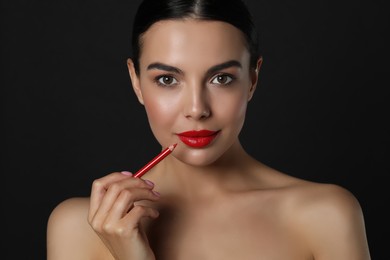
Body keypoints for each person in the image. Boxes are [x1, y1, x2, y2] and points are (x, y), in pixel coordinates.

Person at [46, 0, 371, 259]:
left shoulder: (324, 215)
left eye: (222, 78)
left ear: (252, 80)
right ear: (136, 82)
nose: (197, 109)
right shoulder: (79, 228)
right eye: (167, 79)